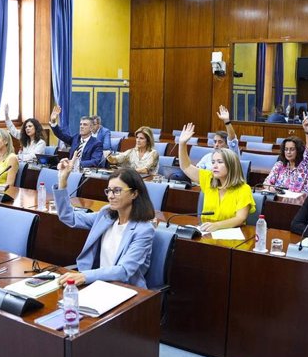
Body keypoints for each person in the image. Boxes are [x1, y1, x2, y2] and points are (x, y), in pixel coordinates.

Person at [54, 157, 155, 288]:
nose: (111, 196)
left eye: (117, 191)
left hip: (126, 289)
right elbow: (68, 217)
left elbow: (124, 271)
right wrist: (62, 181)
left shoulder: (144, 230)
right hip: (98, 283)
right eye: (109, 191)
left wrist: (85, 276)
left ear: (134, 194)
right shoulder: (106, 215)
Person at [178, 123, 255, 232]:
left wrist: (217, 225)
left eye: (219, 162)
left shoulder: (244, 189)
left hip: (231, 236)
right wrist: (182, 144)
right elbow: (185, 166)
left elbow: (240, 218)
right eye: (213, 162)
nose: (214, 165)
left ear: (231, 165)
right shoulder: (208, 178)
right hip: (206, 231)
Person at [263, 116, 308, 193]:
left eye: (292, 149)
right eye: (286, 149)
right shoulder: (279, 165)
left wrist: (307, 131)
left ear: (298, 150)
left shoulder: (305, 165)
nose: (288, 152)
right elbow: (266, 182)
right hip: (280, 200)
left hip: (300, 202)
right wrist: (272, 189)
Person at [197, 105, 240, 170]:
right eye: (215, 142)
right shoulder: (208, 156)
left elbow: (232, 139)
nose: (216, 145)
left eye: (220, 142)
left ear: (227, 145)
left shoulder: (231, 156)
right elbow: (197, 170)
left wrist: (227, 121)